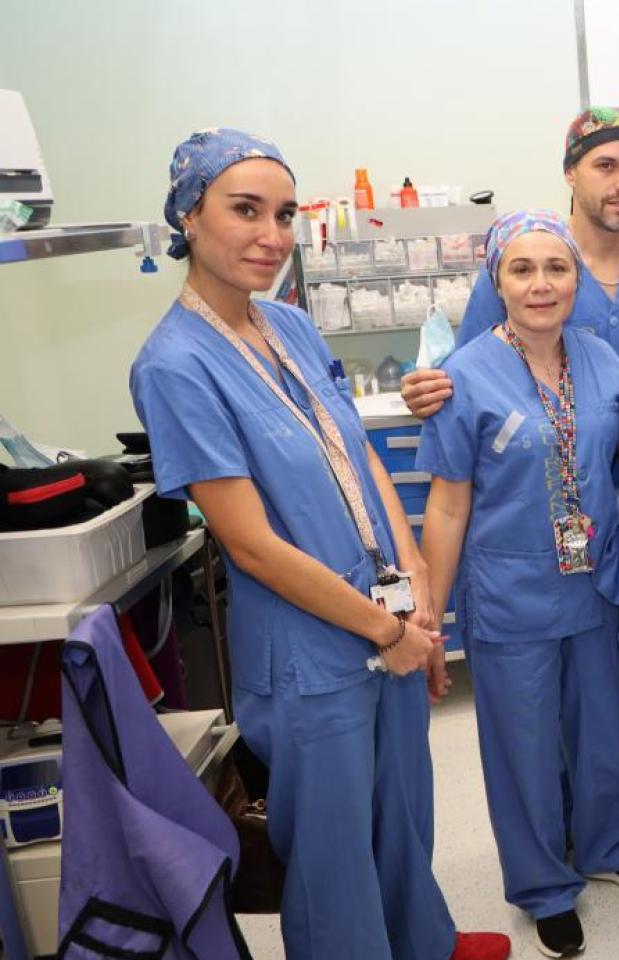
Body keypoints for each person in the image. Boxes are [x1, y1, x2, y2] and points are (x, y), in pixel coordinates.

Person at [129, 129, 508, 960]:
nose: (272, 234)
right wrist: (385, 631)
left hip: (388, 617)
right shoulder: (175, 366)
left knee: (402, 814)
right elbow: (251, 546)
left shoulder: (292, 327)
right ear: (188, 217)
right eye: (245, 211)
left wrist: (416, 592)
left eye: (285, 214)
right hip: (310, 651)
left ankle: (422, 941)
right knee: (333, 854)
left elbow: (361, 453)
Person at [401, 106, 619, 818]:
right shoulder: (526, 260)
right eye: (605, 165)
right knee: (546, 702)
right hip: (539, 514)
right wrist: (425, 387)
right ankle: (557, 830)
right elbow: (468, 376)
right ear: (571, 173)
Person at [415, 209, 619, 957]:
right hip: (509, 593)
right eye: (521, 270)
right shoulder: (463, 377)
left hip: (591, 582)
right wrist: (429, 609)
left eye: (556, 268)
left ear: (576, 279)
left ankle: (606, 846)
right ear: (497, 281)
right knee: (522, 742)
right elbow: (449, 499)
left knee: (597, 727)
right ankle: (542, 884)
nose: (541, 284)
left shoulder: (598, 360)